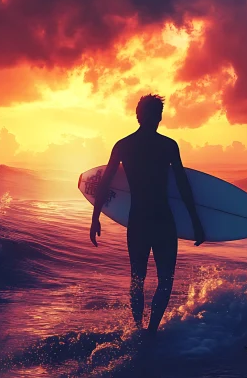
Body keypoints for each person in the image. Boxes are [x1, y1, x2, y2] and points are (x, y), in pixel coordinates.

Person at [89, 94, 205, 336]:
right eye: (158, 113)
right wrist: (195, 221)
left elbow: (105, 183)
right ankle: (150, 331)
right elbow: (182, 184)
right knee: (164, 280)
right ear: (156, 116)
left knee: (137, 278)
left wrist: (95, 217)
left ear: (138, 115)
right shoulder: (168, 145)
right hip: (162, 220)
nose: (159, 118)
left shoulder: (124, 145)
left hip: (139, 220)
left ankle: (139, 329)